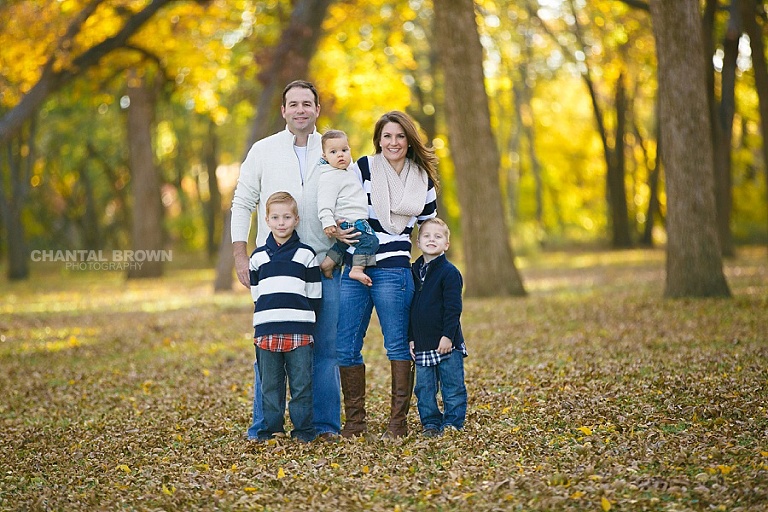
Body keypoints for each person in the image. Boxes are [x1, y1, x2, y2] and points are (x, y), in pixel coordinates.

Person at [231, 80, 350, 440]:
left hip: (325, 266)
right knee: (267, 348)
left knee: (325, 350)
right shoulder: (264, 150)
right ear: (283, 111)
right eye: (293, 104)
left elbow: (351, 205)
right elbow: (242, 202)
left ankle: (324, 426)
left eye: (307, 103)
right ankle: (264, 426)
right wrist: (240, 253)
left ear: (317, 109)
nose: (300, 109)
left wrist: (335, 255)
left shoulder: (332, 149)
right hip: (276, 269)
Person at [336, 111, 439, 439]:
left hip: (395, 270)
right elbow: (342, 205)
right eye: (387, 136)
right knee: (346, 344)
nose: (393, 142)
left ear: (408, 141)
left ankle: (397, 424)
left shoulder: (422, 179)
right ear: (378, 139)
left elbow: (428, 228)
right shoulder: (362, 168)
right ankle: (355, 423)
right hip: (355, 268)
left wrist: (431, 270)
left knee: (396, 344)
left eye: (400, 136)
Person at [249, 192, 321, 442]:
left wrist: (306, 322)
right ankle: (273, 429)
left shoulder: (306, 255)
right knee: (270, 385)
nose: (282, 223)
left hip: (300, 332)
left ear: (296, 220)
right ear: (267, 220)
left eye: (287, 217)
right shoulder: (258, 258)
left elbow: (314, 296)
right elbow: (257, 295)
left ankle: (303, 431)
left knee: (301, 384)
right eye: (276, 217)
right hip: (266, 331)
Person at [408, 217, 468, 437]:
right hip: (422, 342)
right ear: (418, 242)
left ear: (446, 244)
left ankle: (453, 422)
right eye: (426, 236)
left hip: (447, 344)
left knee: (452, 386)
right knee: (424, 388)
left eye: (438, 236)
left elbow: (453, 308)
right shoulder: (413, 272)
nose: (431, 239)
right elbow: (411, 310)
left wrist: (447, 336)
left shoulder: (449, 273)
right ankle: (431, 422)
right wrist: (411, 337)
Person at [317, 129, 380, 287]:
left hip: (350, 220)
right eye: (333, 152)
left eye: (344, 150)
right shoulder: (330, 177)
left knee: (342, 244)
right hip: (352, 221)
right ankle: (357, 269)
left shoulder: (347, 171)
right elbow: (324, 203)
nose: (340, 155)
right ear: (324, 157)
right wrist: (328, 223)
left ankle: (327, 264)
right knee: (370, 241)